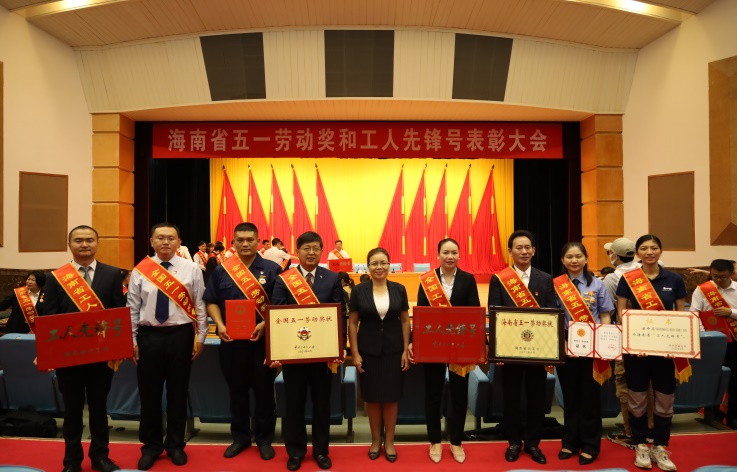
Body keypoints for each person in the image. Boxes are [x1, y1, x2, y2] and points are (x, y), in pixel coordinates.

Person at [42, 225, 126, 472]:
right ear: (69, 245)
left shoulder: (112, 274)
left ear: (97, 243)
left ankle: (100, 457)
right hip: (69, 357)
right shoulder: (56, 277)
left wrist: (117, 348)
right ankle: (72, 461)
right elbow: (50, 317)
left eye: (90, 240)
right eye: (78, 240)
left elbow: (117, 313)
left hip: (101, 356)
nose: (85, 244)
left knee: (99, 407)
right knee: (72, 410)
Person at [127, 222, 208, 470]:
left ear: (179, 242)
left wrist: (201, 337)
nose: (165, 242)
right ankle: (150, 446)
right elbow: (132, 308)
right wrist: (131, 340)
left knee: (177, 393)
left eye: (171, 238)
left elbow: (200, 304)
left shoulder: (191, 269)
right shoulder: (141, 270)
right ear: (151, 241)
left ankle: (175, 445)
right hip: (148, 337)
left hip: (180, 336)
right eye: (160, 238)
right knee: (149, 394)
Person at [203, 222, 282, 462]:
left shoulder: (272, 269)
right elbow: (211, 300)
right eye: (240, 240)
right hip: (232, 342)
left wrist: (265, 324)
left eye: (250, 240)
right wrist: (220, 325)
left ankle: (264, 439)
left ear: (258, 242)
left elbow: (280, 304)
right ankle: (240, 438)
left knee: (264, 392)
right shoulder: (222, 270)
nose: (245, 244)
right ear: (234, 243)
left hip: (263, 343)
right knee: (237, 391)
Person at [271, 231, 346, 471]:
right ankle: (295, 452)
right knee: (294, 404)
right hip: (294, 354)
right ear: (298, 251)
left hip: (323, 354)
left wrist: (339, 347)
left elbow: (340, 314)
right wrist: (278, 350)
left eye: (315, 248)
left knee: (322, 404)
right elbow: (278, 313)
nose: (311, 253)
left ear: (321, 251)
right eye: (306, 248)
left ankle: (321, 451)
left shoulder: (332, 278)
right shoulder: (284, 279)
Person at [616, 234, 687, 472]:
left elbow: (680, 315)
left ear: (660, 251)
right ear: (637, 253)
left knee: (665, 398)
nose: (649, 252)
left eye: (654, 248)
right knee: (637, 397)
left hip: (666, 352)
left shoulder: (674, 279)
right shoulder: (628, 279)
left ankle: (660, 445)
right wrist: (634, 342)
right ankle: (640, 444)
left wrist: (675, 345)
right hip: (637, 352)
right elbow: (621, 314)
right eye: (644, 248)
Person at [487, 229, 556, 465]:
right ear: (510, 251)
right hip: (510, 350)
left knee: (537, 397)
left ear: (534, 251)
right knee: (511, 398)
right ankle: (514, 442)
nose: (524, 251)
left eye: (528, 247)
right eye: (519, 248)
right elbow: (495, 313)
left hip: (538, 350)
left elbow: (551, 313)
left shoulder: (545, 279)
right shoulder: (499, 279)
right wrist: (497, 349)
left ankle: (534, 443)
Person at [410, 238, 481, 464]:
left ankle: (457, 441)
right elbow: (421, 313)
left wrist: (480, 342)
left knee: (459, 394)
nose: (450, 256)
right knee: (433, 393)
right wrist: (413, 341)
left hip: (460, 345)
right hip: (434, 344)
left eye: (454, 252)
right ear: (438, 255)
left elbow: (474, 312)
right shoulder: (427, 280)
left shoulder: (468, 279)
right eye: (445, 252)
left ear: (459, 255)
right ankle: (434, 441)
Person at [553, 242, 614, 466]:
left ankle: (590, 445)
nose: (574, 260)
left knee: (589, 397)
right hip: (566, 344)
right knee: (570, 397)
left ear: (586, 259)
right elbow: (554, 316)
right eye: (569, 256)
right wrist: (561, 341)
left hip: (592, 345)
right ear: (563, 260)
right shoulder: (556, 285)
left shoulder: (597, 284)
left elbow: (605, 314)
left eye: (578, 256)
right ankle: (570, 442)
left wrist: (604, 341)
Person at [348, 248, 410, 463]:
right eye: (374, 263)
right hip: (368, 351)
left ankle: (390, 442)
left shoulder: (399, 289)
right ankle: (376, 441)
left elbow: (405, 320)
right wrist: (355, 353)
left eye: (383, 262)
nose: (379, 267)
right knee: (372, 398)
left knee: (391, 398)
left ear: (389, 265)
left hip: (394, 350)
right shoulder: (359, 291)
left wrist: (405, 349)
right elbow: (353, 323)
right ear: (368, 267)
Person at [603, 237, 655, 449]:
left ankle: (630, 432)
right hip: (651, 334)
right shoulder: (648, 271)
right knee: (648, 383)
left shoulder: (612, 278)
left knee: (625, 384)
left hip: (625, 336)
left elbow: (608, 309)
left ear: (614, 256)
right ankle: (650, 429)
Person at [690, 259, 737, 430]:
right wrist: (705, 335)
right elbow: (694, 313)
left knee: (735, 379)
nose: (718, 280)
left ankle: (733, 415)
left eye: (722, 277)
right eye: (715, 276)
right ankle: (712, 414)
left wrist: (730, 312)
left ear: (731, 274)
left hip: (735, 340)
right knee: (713, 376)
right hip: (712, 340)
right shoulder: (702, 290)